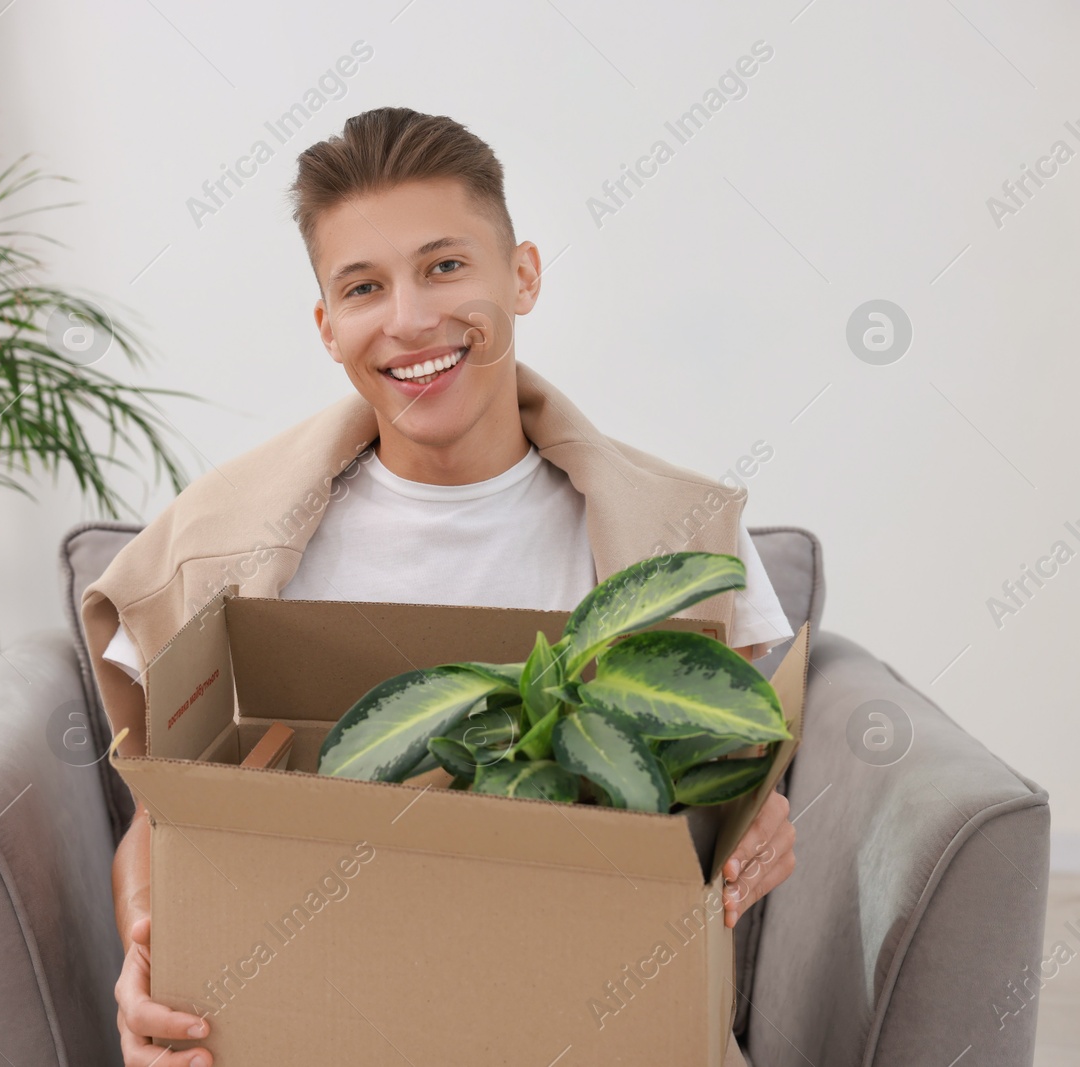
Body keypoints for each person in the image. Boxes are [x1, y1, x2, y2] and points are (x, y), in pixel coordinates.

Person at [82, 107, 795, 1067]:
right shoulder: (212, 549)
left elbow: (734, 795)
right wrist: (147, 959)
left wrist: (766, 823)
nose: (410, 318)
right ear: (328, 325)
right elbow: (162, 826)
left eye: (446, 266)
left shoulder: (683, 539)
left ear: (524, 275)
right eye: (365, 286)